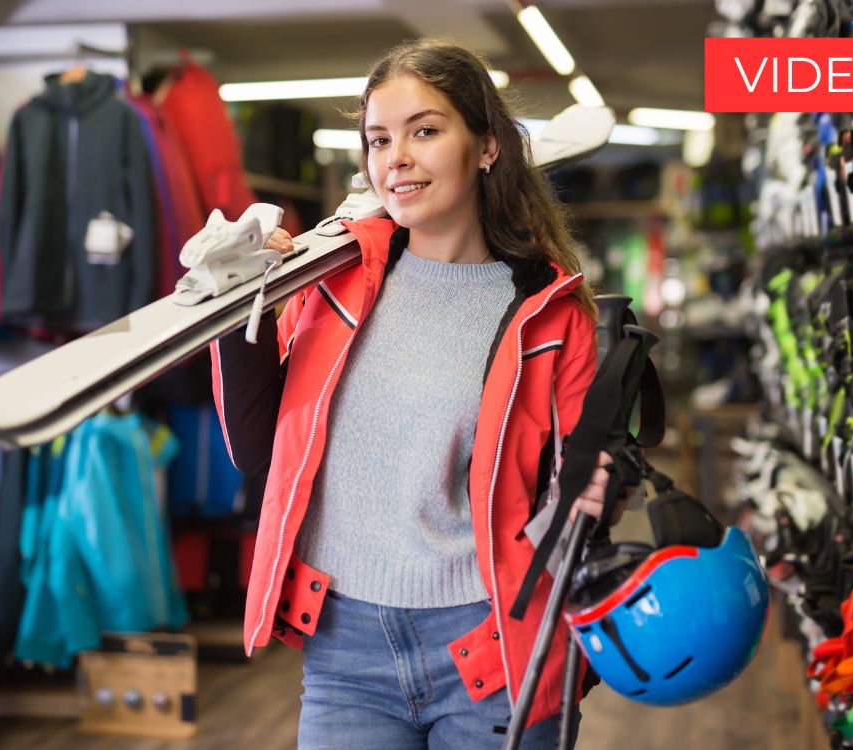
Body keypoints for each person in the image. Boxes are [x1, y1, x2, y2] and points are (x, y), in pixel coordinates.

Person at [211, 38, 621, 749]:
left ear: (487, 146)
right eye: (378, 139)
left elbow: (575, 503)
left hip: (489, 649)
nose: (394, 157)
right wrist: (236, 304)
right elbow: (257, 449)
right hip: (344, 653)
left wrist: (601, 487)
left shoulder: (549, 314)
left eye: (424, 131)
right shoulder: (335, 281)